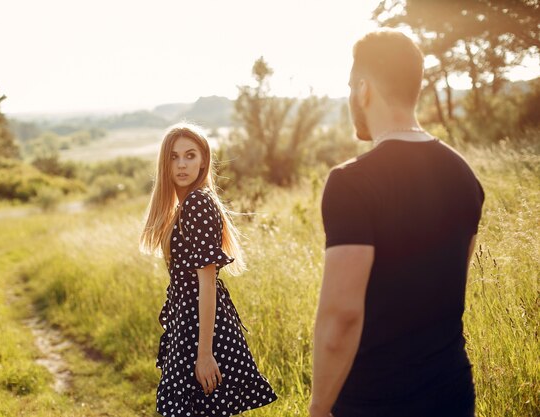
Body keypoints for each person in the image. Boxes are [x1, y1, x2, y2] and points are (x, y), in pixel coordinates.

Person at [309, 30, 485, 417]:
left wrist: (319, 408)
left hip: (374, 401)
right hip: (452, 395)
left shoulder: (351, 183)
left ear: (363, 89)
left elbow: (342, 315)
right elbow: (450, 290)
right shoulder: (464, 175)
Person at [140, 123, 277, 416]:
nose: (181, 164)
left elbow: (207, 284)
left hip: (201, 334)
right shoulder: (186, 203)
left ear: (204, 159)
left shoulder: (198, 203)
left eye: (190, 155)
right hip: (189, 327)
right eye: (174, 157)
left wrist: (204, 354)